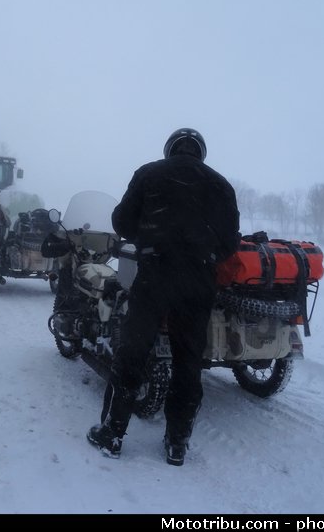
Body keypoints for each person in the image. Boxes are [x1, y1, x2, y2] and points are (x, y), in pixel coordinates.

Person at [86, 127, 240, 466]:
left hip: (155, 278)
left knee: (133, 353)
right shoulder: (221, 185)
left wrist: (151, 234)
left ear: (171, 149)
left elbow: (123, 222)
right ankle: (177, 444)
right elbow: (231, 242)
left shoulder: (149, 173)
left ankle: (112, 434)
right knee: (188, 363)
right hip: (198, 283)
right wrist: (206, 255)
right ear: (200, 151)